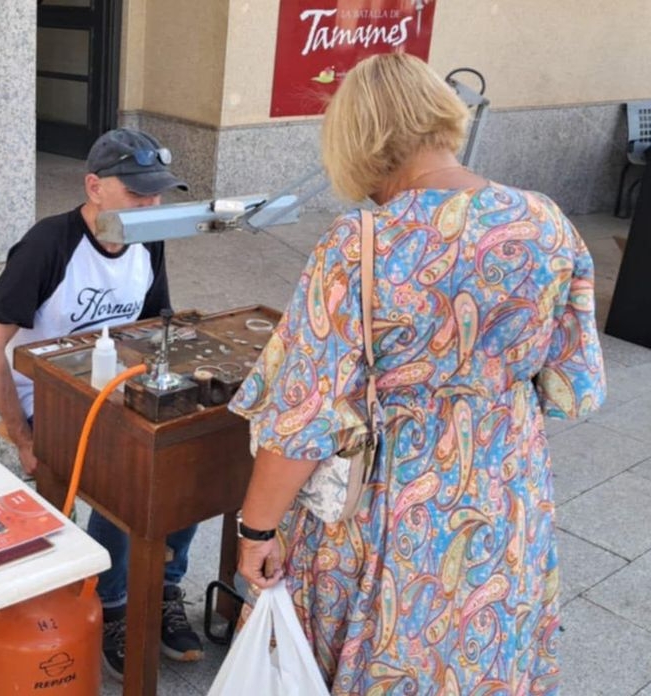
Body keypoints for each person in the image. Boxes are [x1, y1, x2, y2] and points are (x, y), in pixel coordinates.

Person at [229, 53, 605, 694]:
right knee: (480, 656)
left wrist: (255, 530)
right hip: (506, 499)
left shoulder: (359, 244)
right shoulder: (547, 220)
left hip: (388, 510)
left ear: (362, 138)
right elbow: (573, 383)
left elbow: (301, 418)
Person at [0, 127, 204, 680]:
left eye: (157, 194)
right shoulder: (48, 244)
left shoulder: (148, 235)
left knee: (193, 447)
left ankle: (166, 583)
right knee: (132, 467)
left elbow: (154, 324)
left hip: (114, 379)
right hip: (46, 393)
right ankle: (115, 599)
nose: (151, 206)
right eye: (137, 193)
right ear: (95, 187)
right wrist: (23, 435)